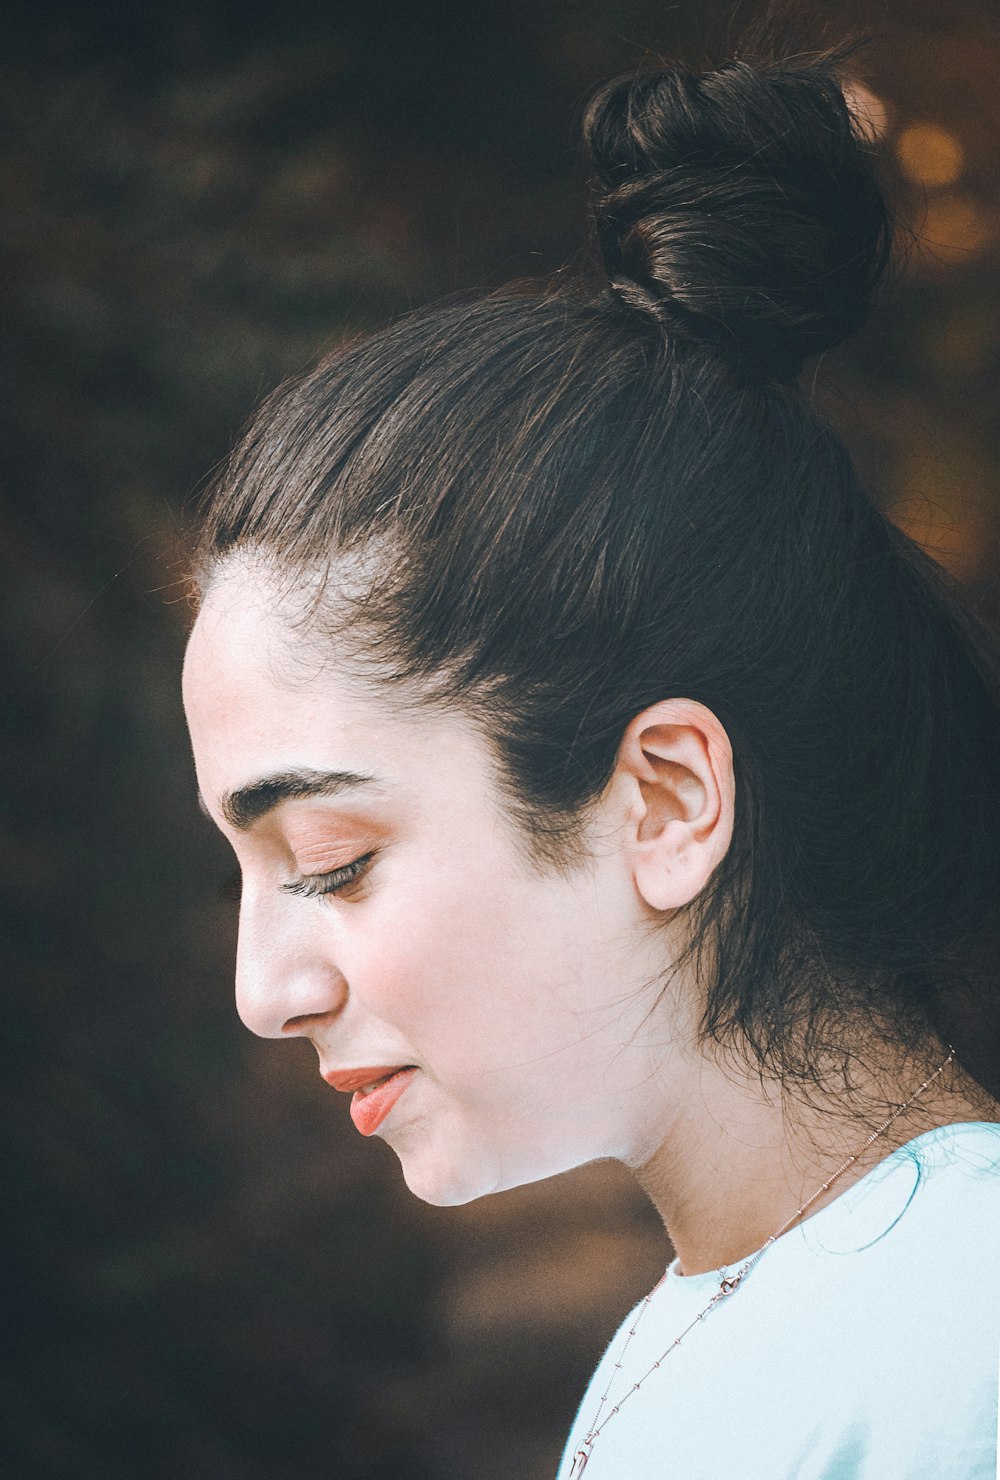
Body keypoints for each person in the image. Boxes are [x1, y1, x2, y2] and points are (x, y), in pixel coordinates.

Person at [181, 43, 1000, 1480]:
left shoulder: (956, 1350)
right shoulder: (719, 1315)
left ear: (669, 797)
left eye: (334, 862)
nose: (267, 993)